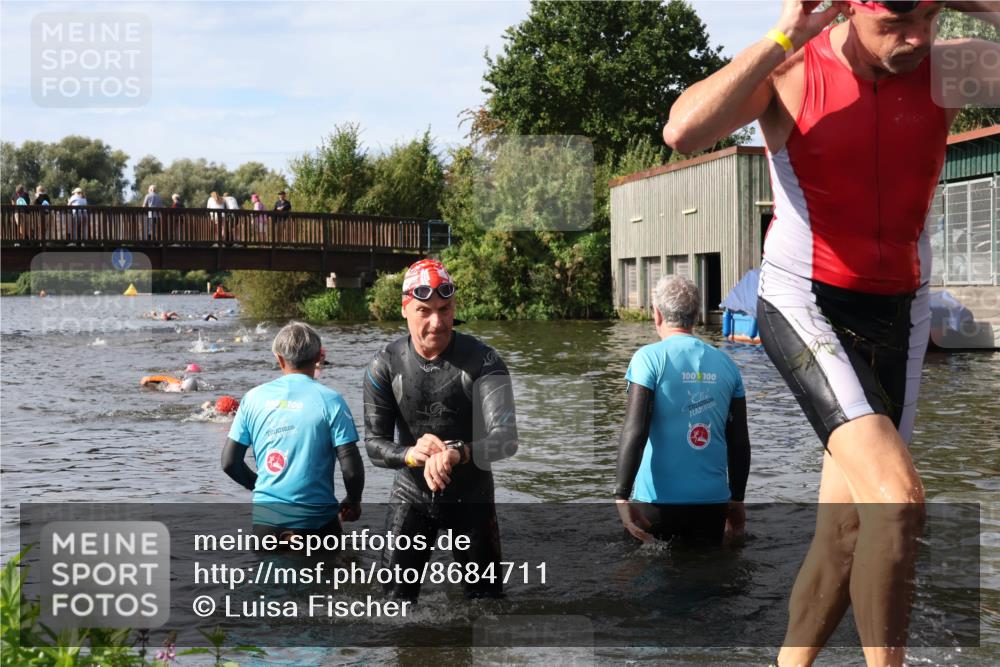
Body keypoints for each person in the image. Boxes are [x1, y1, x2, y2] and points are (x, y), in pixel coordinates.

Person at [662, 2, 1000, 665]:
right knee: (898, 501)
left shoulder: (945, 70)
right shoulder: (791, 68)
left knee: (846, 533)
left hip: (901, 313)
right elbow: (683, 129)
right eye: (899, 17)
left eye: (930, 14)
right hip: (806, 300)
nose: (917, 36)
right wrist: (786, 31)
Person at [363, 259, 518, 601]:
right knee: (392, 606)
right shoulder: (384, 364)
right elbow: (374, 445)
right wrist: (411, 454)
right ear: (405, 309)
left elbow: (506, 439)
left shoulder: (484, 361)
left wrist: (456, 452)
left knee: (487, 607)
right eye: (424, 311)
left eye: (445, 309)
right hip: (411, 495)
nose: (437, 322)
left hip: (471, 495)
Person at [615, 276, 750, 547]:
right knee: (710, 578)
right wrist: (736, 499)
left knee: (646, 576)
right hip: (712, 504)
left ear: (656, 314)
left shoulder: (648, 358)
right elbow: (739, 441)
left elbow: (635, 430)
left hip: (656, 504)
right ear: (697, 315)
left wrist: (622, 496)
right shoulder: (727, 365)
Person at [222, 322, 364, 544]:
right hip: (317, 525)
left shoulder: (252, 398)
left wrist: (259, 486)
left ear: (279, 359)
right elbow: (351, 469)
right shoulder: (331, 401)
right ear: (318, 357)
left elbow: (229, 463)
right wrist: (353, 501)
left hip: (267, 525)